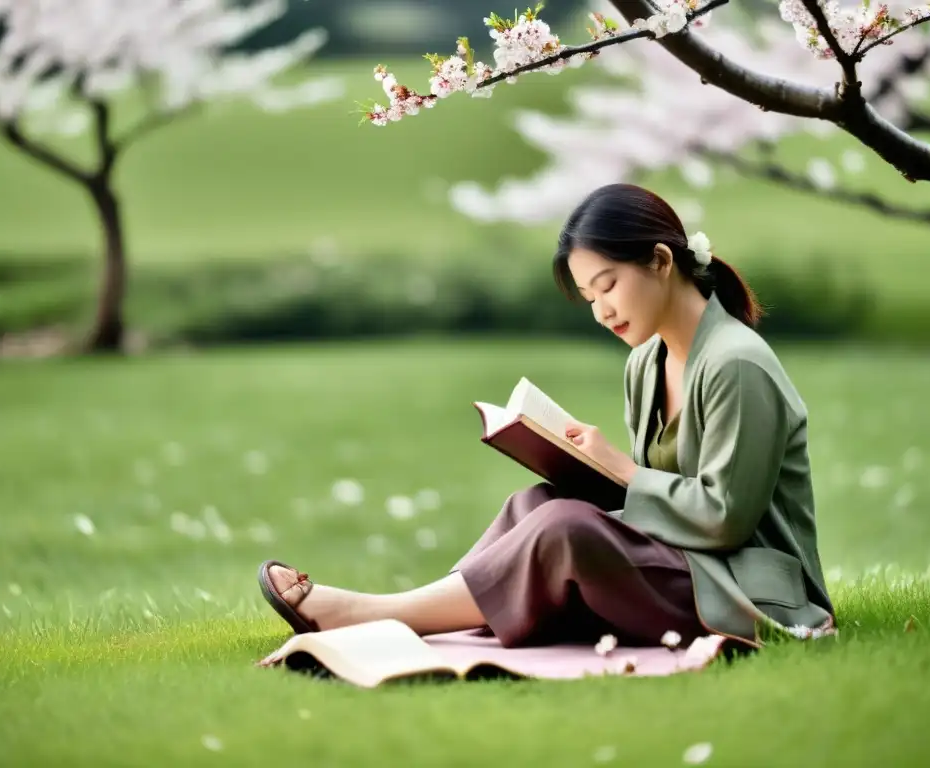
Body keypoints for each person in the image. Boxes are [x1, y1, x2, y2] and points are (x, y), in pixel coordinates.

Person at [257, 182, 835, 658]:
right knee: (534, 505)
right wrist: (582, 469)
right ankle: (415, 612)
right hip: (693, 562)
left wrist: (623, 471)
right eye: (588, 296)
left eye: (608, 285)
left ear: (660, 261)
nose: (601, 310)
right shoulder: (645, 362)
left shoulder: (736, 365)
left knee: (564, 530)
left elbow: (727, 519)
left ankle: (378, 616)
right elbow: (662, 510)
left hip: (747, 591)